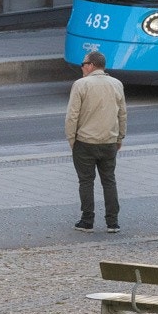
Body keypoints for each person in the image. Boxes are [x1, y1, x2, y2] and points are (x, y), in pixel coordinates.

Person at [66, 50, 127, 232]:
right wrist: (120, 137)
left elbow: (72, 116)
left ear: (91, 65)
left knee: (86, 181)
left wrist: (71, 139)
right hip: (109, 141)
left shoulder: (80, 85)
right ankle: (112, 222)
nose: (82, 67)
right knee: (109, 181)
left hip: (85, 141)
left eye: (83, 64)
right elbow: (122, 114)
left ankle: (87, 221)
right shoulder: (117, 84)